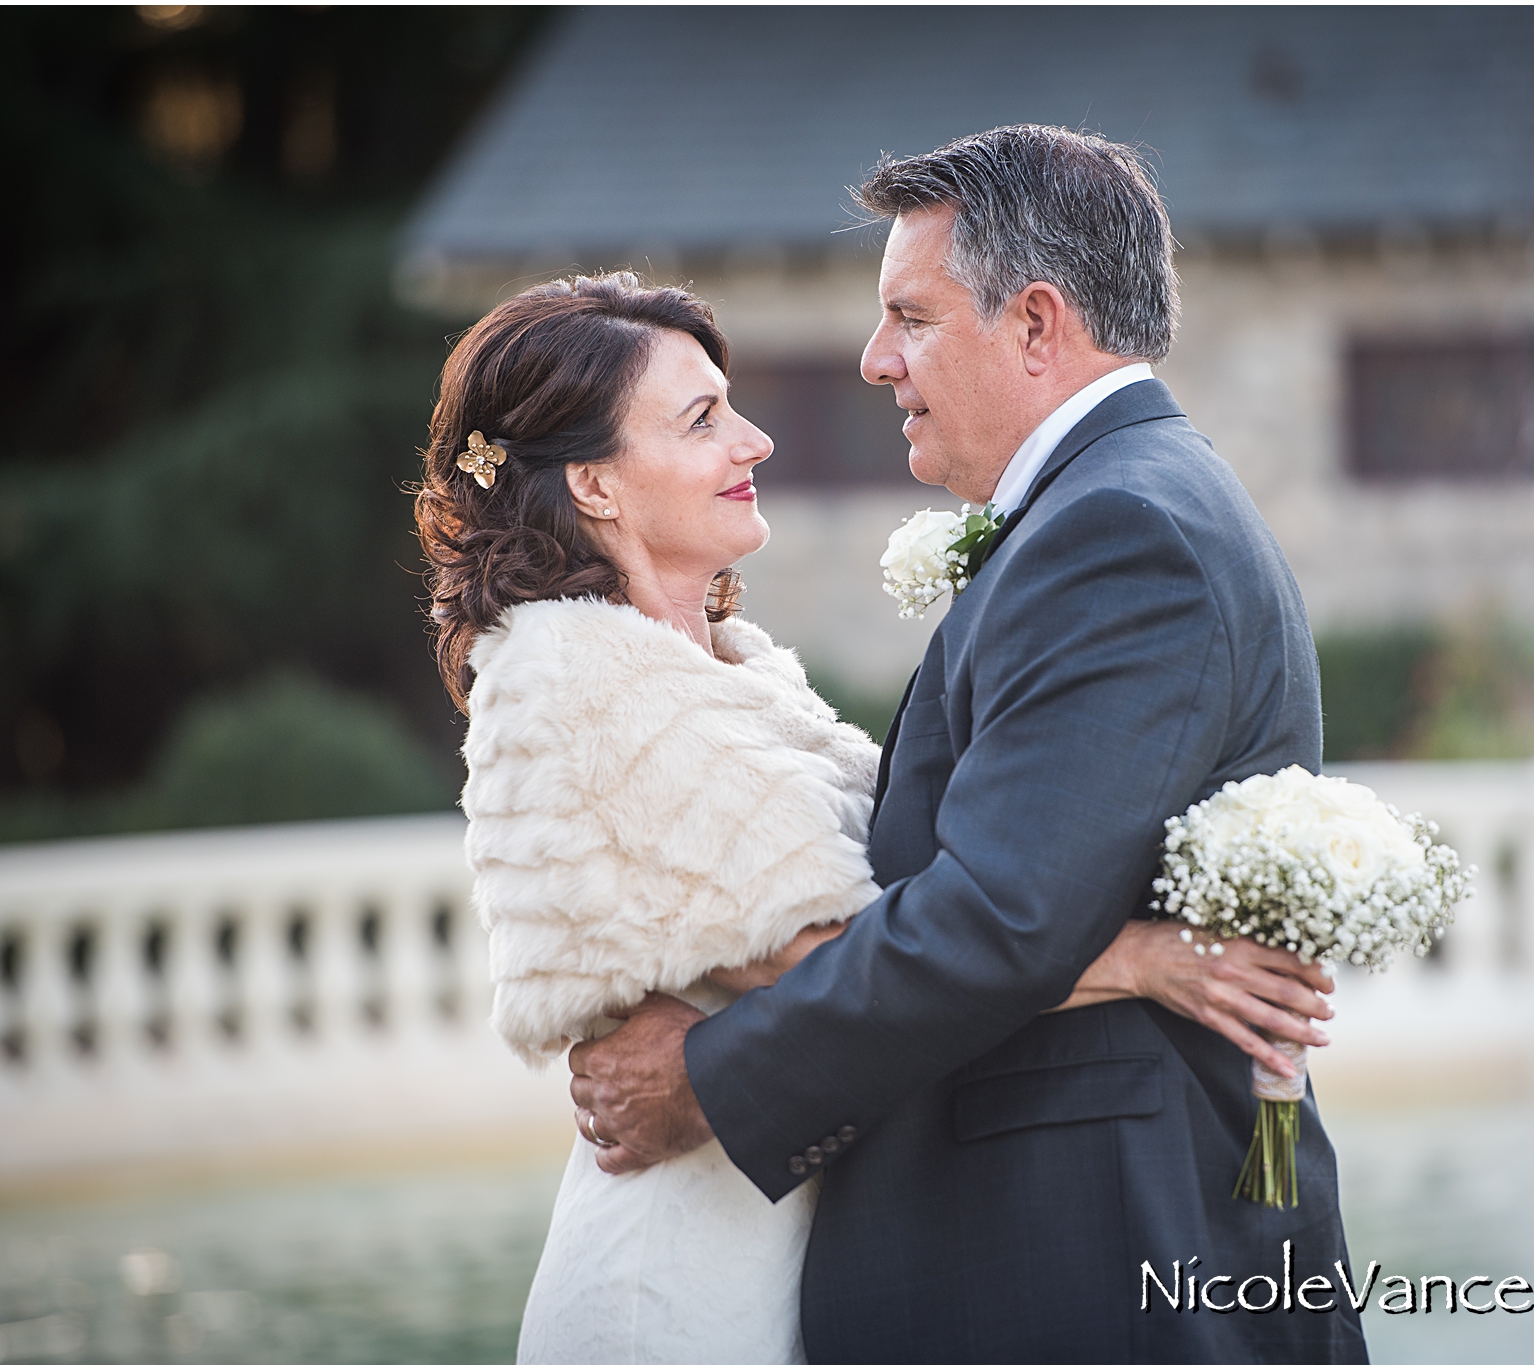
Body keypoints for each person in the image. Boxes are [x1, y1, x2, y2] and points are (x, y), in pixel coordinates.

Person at [414, 268, 1341, 1362]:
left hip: (786, 1195)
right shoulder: (574, 674)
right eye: (703, 418)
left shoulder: (735, 673)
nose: (753, 441)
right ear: (597, 485)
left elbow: (899, 909)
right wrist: (1139, 958)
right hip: (690, 1250)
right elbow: (817, 949)